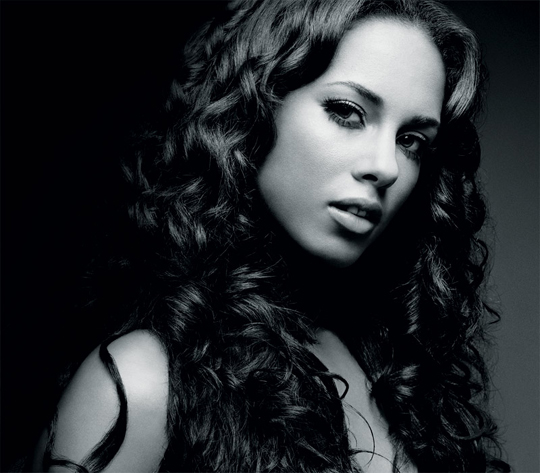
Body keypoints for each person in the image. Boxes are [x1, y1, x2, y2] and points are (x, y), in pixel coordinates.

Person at [28, 0, 510, 471]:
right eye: (347, 112)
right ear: (254, 107)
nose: (387, 167)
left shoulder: (393, 366)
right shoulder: (143, 383)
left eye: (411, 141)